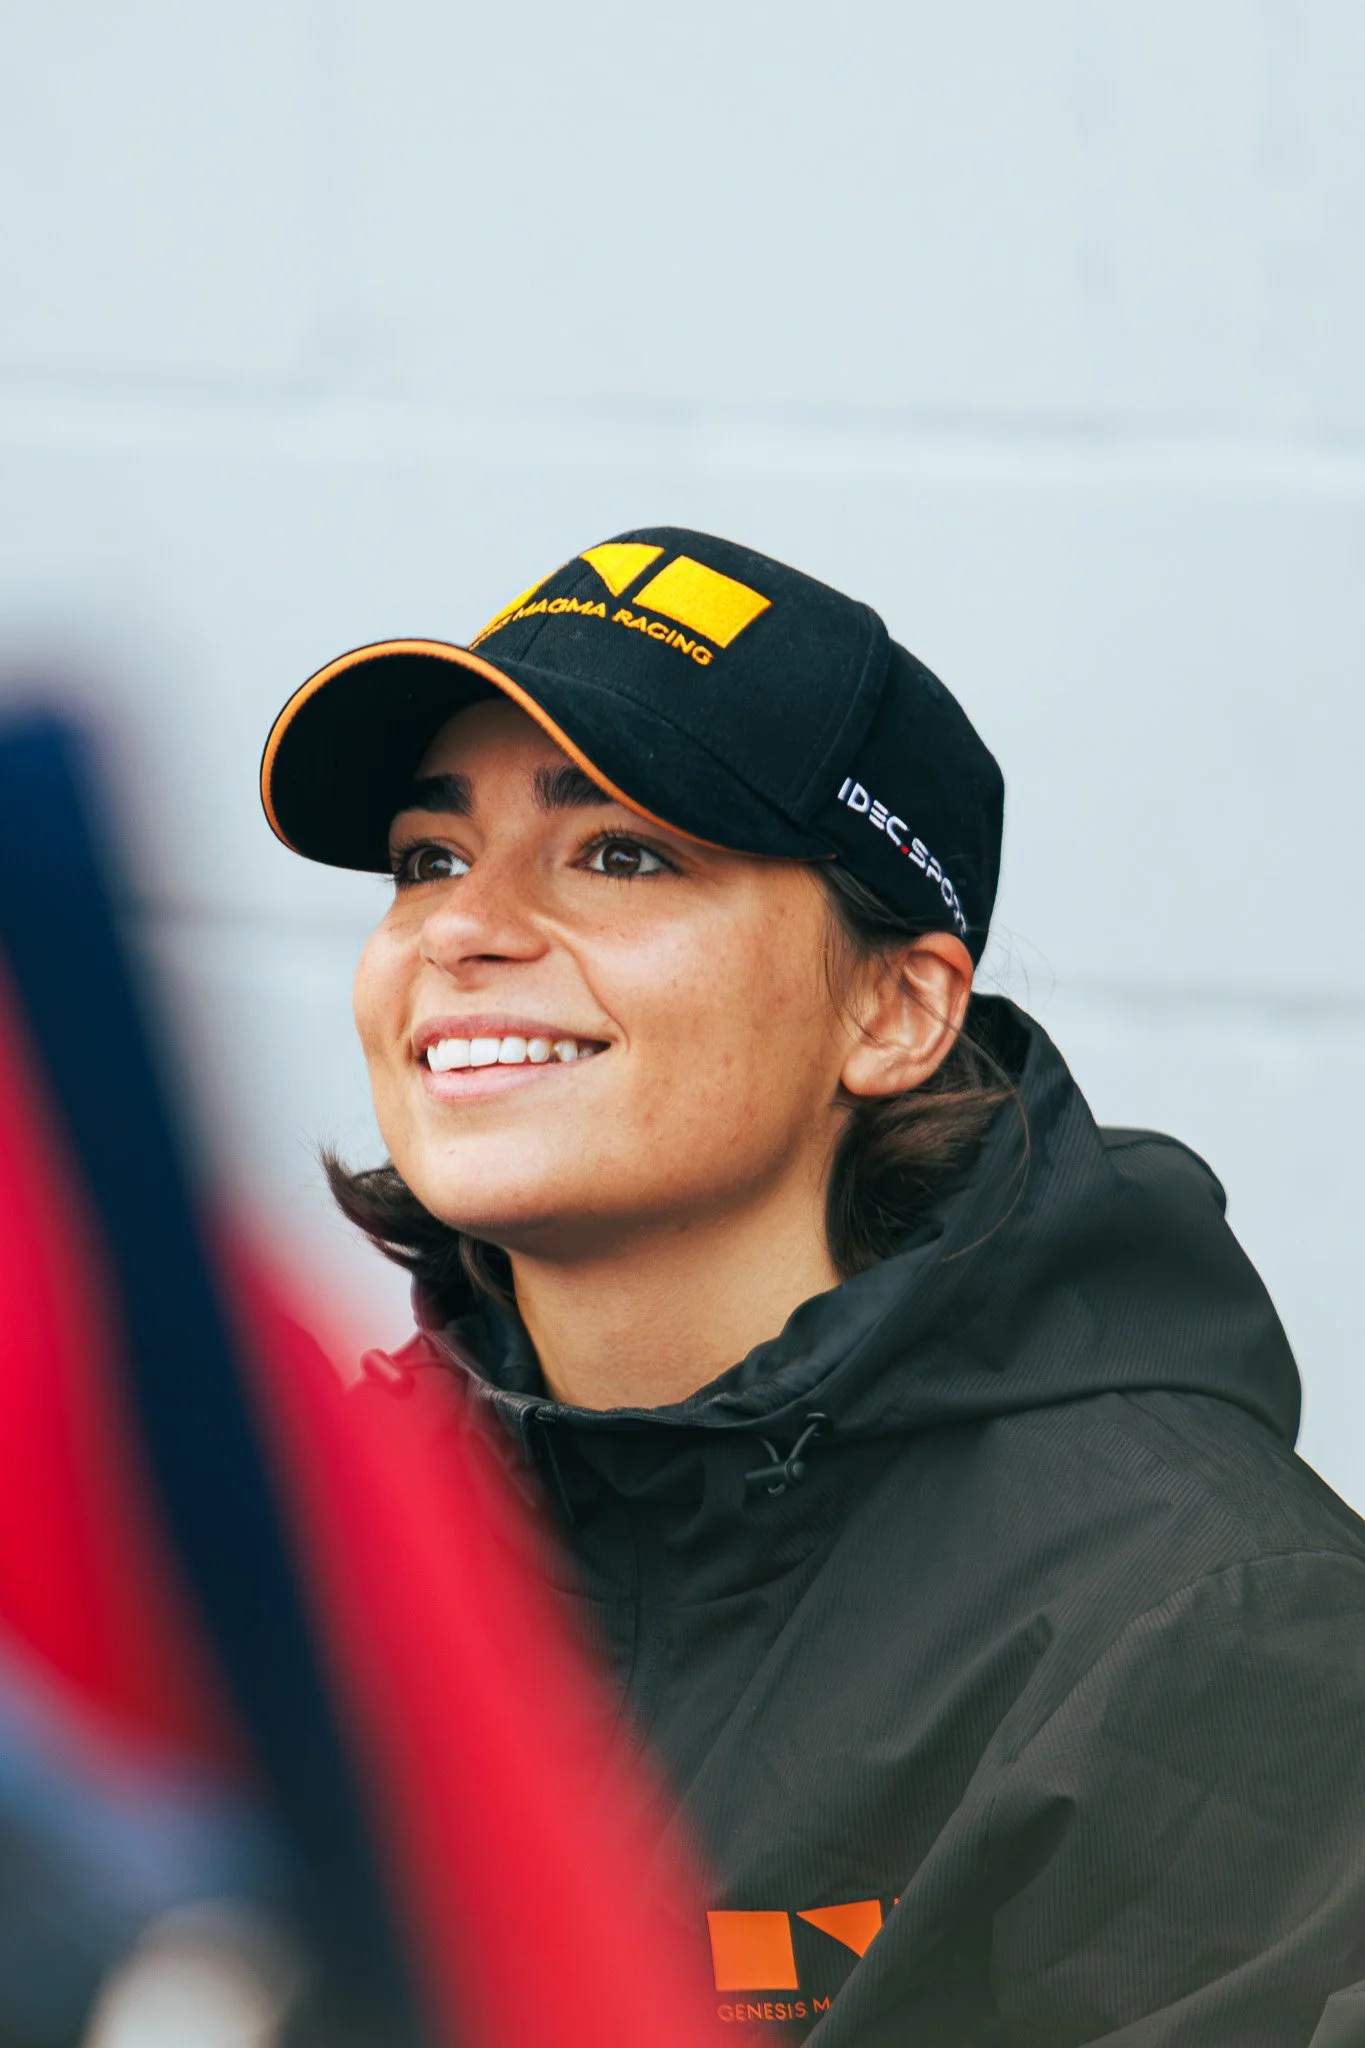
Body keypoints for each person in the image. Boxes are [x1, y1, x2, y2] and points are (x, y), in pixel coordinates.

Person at [259, 526, 1365, 2046]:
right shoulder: (303, 1549)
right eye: (427, 860)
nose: (459, 929)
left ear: (896, 1009)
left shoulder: (1204, 1635)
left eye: (622, 853)